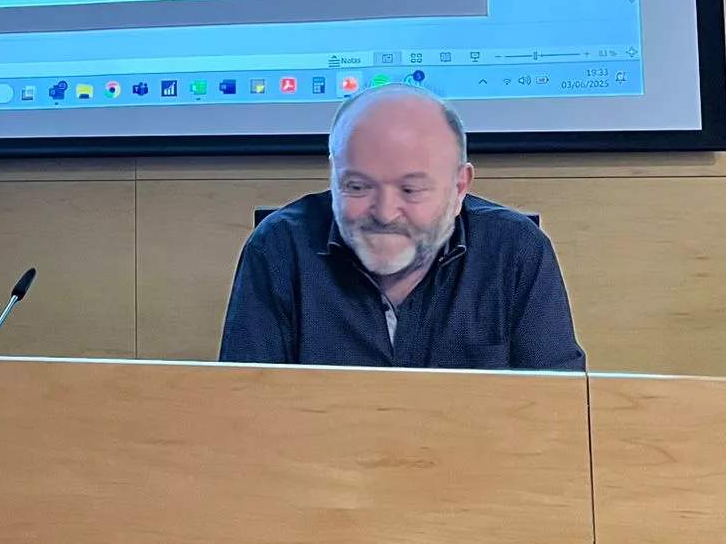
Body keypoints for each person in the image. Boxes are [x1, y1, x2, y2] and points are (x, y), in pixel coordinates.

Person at [218, 84, 584, 370]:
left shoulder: (516, 252)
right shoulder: (280, 249)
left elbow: (558, 417)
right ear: (333, 177)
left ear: (459, 188)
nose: (384, 213)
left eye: (410, 190)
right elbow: (247, 415)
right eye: (358, 186)